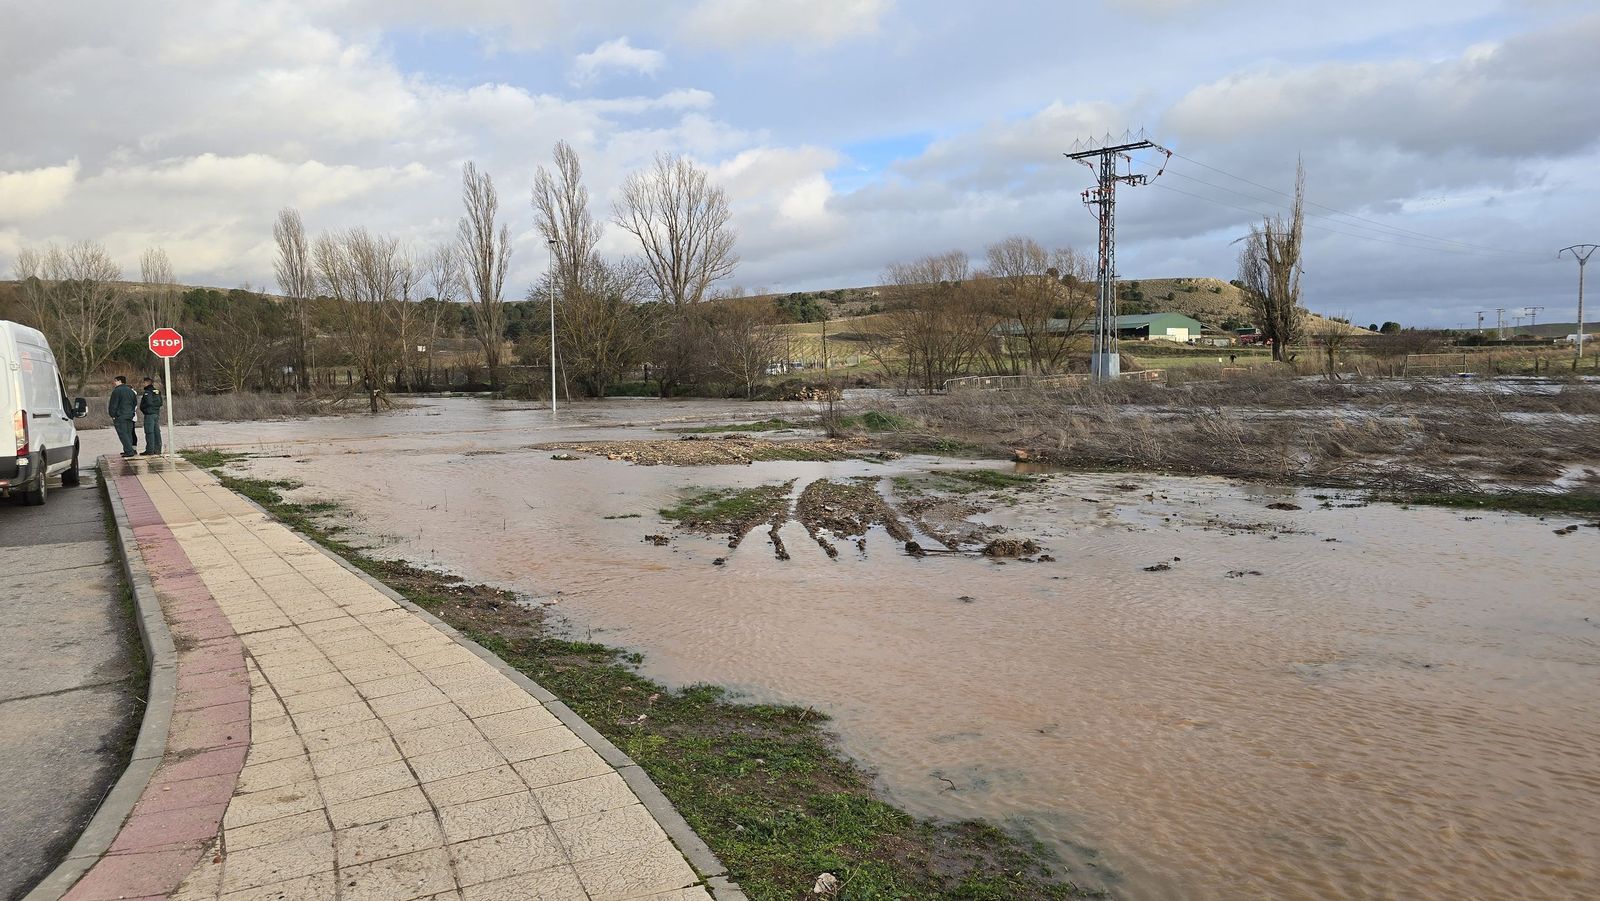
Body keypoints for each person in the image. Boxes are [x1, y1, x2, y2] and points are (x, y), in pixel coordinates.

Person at [108, 376, 139, 458]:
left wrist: (113, 415)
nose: (114, 382)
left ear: (120, 381)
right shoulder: (131, 391)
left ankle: (129, 451)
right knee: (128, 433)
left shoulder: (117, 391)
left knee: (123, 434)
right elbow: (134, 403)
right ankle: (129, 450)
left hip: (120, 416)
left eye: (115, 381)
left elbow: (113, 404)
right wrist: (132, 412)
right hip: (130, 415)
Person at [139, 377, 164, 456]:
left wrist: (143, 408)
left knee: (149, 432)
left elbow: (148, 402)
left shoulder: (148, 392)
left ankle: (150, 450)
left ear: (147, 382)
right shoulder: (157, 391)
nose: (143, 384)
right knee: (156, 432)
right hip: (156, 414)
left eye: (144, 382)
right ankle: (157, 449)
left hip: (149, 414)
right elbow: (160, 403)